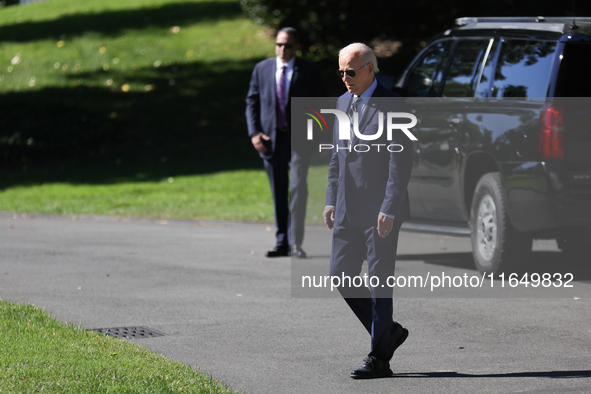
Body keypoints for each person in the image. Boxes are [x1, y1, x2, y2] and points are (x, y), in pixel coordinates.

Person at [323, 43, 413, 379]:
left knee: (378, 281)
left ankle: (380, 359)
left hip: (379, 212)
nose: (345, 78)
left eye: (351, 71)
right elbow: (337, 157)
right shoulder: (342, 102)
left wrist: (389, 208)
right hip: (347, 208)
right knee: (339, 274)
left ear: (370, 69)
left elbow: (400, 161)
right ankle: (387, 332)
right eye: (341, 71)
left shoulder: (394, 105)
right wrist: (331, 199)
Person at [246, 27, 325, 258]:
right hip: (271, 140)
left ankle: (295, 243)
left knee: (298, 188)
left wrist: (322, 138)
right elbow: (252, 101)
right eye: (279, 44)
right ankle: (281, 242)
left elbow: (321, 106)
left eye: (288, 45)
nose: (282, 49)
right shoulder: (262, 69)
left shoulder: (309, 70)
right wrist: (254, 133)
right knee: (278, 191)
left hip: (300, 140)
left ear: (297, 47)